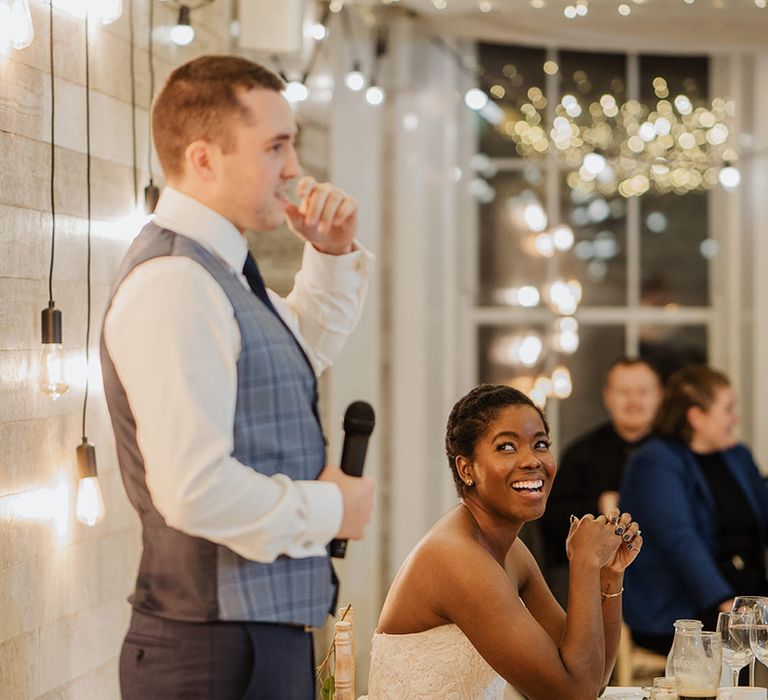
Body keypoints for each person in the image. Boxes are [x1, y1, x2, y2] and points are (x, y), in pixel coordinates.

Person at [100, 55, 375, 698]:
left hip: (247, 640)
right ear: (203, 159)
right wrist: (330, 507)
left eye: (293, 145)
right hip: (213, 651)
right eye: (275, 147)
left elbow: (290, 354)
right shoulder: (176, 283)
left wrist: (329, 254)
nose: (296, 170)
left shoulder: (218, 271)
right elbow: (192, 489)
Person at [365, 384, 643, 699]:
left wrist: (608, 573)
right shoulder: (457, 557)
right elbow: (573, 694)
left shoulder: (511, 552)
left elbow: (591, 678)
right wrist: (584, 563)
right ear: (466, 468)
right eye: (507, 447)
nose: (531, 460)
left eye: (540, 444)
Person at [620, 365, 768, 655]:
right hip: (685, 608)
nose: (735, 418)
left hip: (750, 596)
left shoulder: (737, 456)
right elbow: (679, 541)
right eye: (727, 409)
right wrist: (728, 606)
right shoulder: (654, 462)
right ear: (696, 416)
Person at [540, 357, 662, 606]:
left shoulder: (678, 453)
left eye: (643, 392)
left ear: (659, 395)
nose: (633, 400)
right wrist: (596, 509)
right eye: (624, 392)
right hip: (593, 579)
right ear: (608, 396)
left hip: (664, 579)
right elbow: (551, 519)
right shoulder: (581, 453)